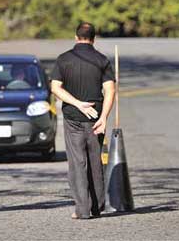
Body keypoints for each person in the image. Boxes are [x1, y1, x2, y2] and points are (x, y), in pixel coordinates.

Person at [50, 23, 116, 220]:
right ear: (94, 38)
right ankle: (97, 207)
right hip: (96, 119)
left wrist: (77, 104)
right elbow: (110, 90)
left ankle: (82, 209)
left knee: (78, 163)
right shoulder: (102, 60)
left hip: (73, 118)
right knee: (95, 162)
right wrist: (104, 118)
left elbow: (55, 87)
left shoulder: (64, 59)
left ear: (76, 36)